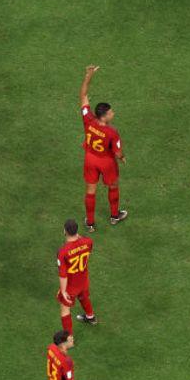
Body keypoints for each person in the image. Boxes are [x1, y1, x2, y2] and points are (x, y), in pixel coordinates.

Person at [79, 65, 126, 231]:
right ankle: (114, 216)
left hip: (90, 159)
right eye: (111, 112)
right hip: (106, 162)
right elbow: (117, 152)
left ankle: (90, 223)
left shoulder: (88, 120)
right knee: (113, 186)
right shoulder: (112, 132)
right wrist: (122, 157)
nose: (113, 114)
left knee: (91, 190)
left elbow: (83, 95)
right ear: (104, 116)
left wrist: (89, 75)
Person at [57, 218, 96, 331]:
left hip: (71, 285)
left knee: (65, 310)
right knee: (83, 296)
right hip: (83, 280)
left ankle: (69, 339)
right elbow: (83, 242)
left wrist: (63, 291)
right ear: (77, 231)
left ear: (65, 231)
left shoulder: (63, 252)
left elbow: (63, 274)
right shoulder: (88, 242)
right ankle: (90, 317)